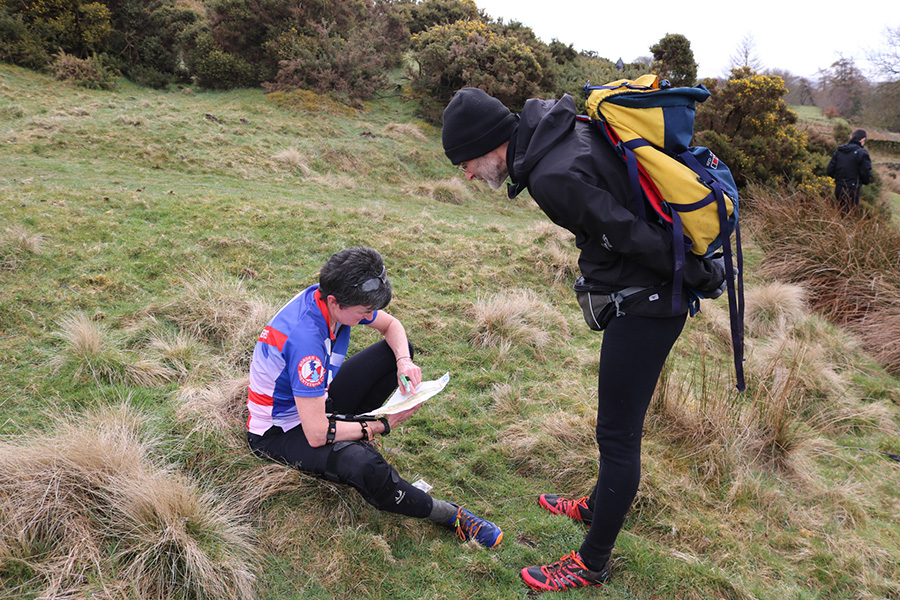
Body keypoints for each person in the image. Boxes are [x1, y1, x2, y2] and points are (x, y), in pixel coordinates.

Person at [441, 88, 726, 591]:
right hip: (645, 293)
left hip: (650, 302)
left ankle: (593, 562)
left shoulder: (552, 176)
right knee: (615, 425)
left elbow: (631, 235)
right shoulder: (562, 129)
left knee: (618, 437)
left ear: (488, 145)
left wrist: (695, 273)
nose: (466, 175)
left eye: (465, 162)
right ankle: (596, 506)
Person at [246, 246, 502, 548]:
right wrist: (381, 425)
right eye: (364, 313)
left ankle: (351, 432)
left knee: (392, 354)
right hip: (281, 432)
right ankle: (450, 515)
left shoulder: (330, 299)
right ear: (335, 301)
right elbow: (315, 434)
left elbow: (392, 326)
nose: (370, 317)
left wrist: (404, 362)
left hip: (316, 402)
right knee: (365, 466)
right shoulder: (307, 343)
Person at [826, 128, 872, 214]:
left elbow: (830, 171)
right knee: (850, 215)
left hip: (839, 188)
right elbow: (866, 173)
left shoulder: (839, 151)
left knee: (840, 213)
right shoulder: (862, 153)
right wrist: (865, 181)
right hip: (853, 189)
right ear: (863, 139)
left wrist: (838, 179)